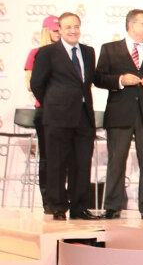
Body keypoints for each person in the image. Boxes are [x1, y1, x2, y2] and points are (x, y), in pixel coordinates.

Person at [95, 8, 143, 220]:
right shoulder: (110, 49)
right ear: (131, 24)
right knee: (116, 161)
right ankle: (112, 206)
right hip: (120, 113)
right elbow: (99, 78)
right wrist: (120, 80)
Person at [29, 12, 100, 221]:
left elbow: (87, 82)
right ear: (59, 29)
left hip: (83, 117)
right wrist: (53, 103)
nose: (73, 31)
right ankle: (58, 207)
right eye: (68, 27)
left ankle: (79, 208)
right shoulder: (47, 52)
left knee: (81, 163)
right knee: (57, 162)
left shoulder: (88, 52)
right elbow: (37, 84)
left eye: (76, 26)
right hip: (57, 116)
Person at [24, 15, 60, 210]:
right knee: (47, 156)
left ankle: (62, 197)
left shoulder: (67, 53)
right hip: (44, 110)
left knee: (64, 157)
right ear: (47, 31)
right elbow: (30, 84)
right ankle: (48, 200)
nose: (59, 33)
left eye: (59, 29)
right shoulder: (36, 53)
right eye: (55, 30)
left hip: (64, 112)